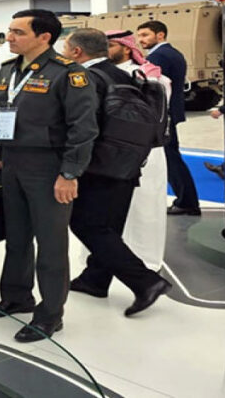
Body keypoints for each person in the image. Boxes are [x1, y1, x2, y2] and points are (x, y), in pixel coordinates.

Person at [0, 10, 97, 343]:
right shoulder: (8, 69)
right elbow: (4, 113)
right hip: (13, 164)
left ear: (44, 37)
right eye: (9, 31)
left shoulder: (68, 74)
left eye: (18, 32)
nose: (9, 38)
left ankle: (50, 314)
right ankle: (16, 297)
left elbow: (83, 128)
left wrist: (69, 173)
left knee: (50, 244)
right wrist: (1, 156)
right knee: (16, 237)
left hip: (49, 168)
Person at [62, 29, 171, 316]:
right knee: (109, 225)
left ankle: (145, 282)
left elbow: (84, 125)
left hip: (100, 165)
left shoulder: (86, 78)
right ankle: (95, 279)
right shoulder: (124, 74)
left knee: (87, 224)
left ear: (77, 51)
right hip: (128, 162)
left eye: (66, 47)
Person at [106, 30, 170, 270]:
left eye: (111, 45)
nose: (106, 50)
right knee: (104, 211)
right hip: (109, 154)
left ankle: (145, 262)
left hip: (144, 152)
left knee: (145, 209)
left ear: (126, 48)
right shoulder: (99, 74)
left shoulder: (151, 77)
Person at [136, 20, 198, 215]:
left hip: (164, 115)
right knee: (172, 157)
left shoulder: (159, 56)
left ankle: (186, 201)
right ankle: (186, 200)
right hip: (171, 112)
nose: (141, 40)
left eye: (145, 35)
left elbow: (153, 88)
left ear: (160, 35)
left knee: (171, 159)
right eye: (139, 36)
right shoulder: (173, 53)